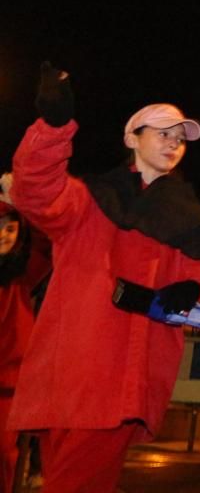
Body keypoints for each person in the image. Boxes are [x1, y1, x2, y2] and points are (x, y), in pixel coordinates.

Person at [7, 63, 200, 493]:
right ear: (131, 139)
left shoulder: (188, 221)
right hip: (65, 372)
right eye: (162, 133)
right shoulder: (88, 199)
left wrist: (187, 294)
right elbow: (35, 190)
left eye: (179, 138)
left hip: (119, 380)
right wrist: (53, 125)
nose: (173, 143)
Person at [0, 186, 52, 493]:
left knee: (5, 460)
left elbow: (46, 243)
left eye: (11, 227)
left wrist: (22, 199)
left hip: (8, 389)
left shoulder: (22, 274)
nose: (5, 235)